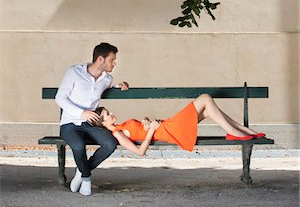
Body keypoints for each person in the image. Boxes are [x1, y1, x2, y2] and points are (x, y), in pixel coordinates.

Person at [55, 42, 128, 196]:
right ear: (100, 59)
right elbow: (60, 98)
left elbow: (102, 88)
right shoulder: (74, 72)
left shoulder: (107, 79)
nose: (114, 63)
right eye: (112, 60)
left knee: (110, 144)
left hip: (91, 124)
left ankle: (81, 170)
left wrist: (119, 86)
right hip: (70, 123)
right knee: (79, 146)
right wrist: (82, 113)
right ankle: (86, 178)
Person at [92, 93, 265, 156]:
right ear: (102, 123)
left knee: (207, 110)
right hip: (168, 130)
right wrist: (151, 130)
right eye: (108, 115)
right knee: (205, 98)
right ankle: (236, 132)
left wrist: (145, 120)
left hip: (166, 125)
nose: (111, 114)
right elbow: (140, 151)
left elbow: (137, 129)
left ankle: (241, 130)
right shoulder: (117, 134)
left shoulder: (121, 126)